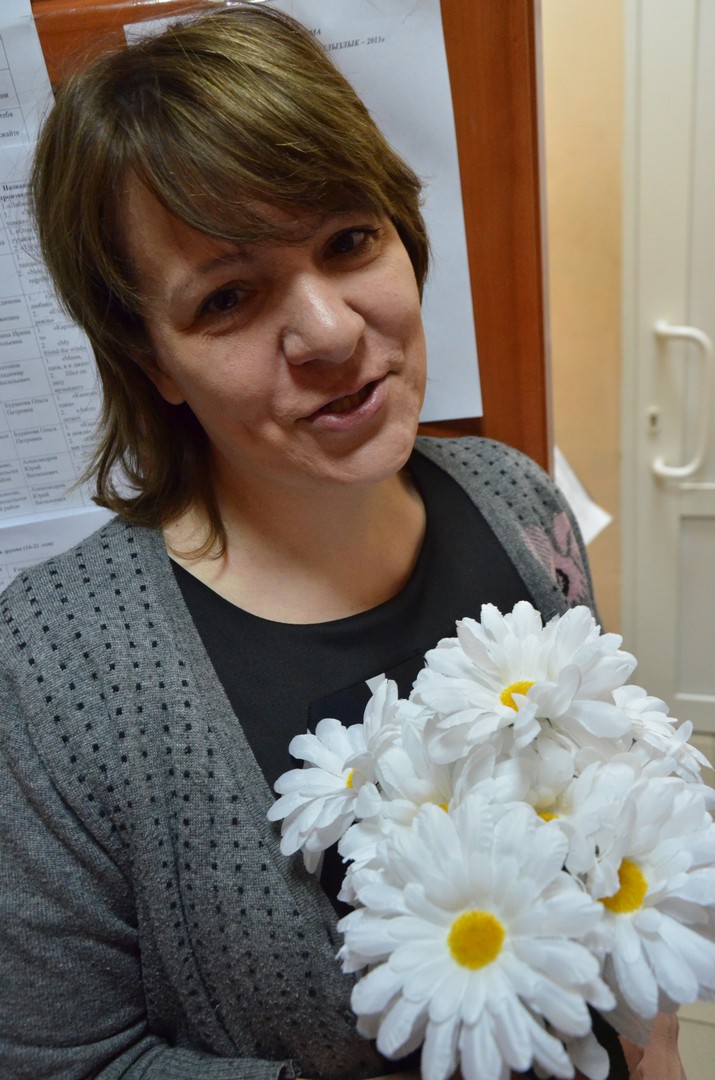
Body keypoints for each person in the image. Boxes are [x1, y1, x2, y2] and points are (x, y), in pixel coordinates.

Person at [0, 4, 682, 1079]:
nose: (329, 332)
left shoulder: (519, 502)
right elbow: (63, 1063)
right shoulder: (55, 670)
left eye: (348, 241)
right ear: (152, 362)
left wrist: (651, 1033)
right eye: (229, 297)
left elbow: (607, 821)